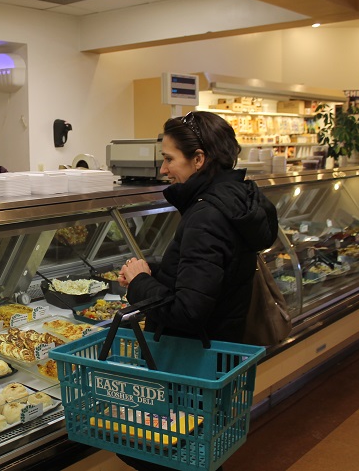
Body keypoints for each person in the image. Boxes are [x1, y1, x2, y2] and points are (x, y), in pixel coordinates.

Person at [116, 111, 279, 470]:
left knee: (164, 454)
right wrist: (155, 271)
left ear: (199, 159)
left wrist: (141, 283)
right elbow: (209, 273)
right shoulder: (235, 198)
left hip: (191, 364)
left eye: (169, 159)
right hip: (218, 355)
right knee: (199, 452)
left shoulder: (206, 216)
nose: (162, 169)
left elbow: (190, 311)